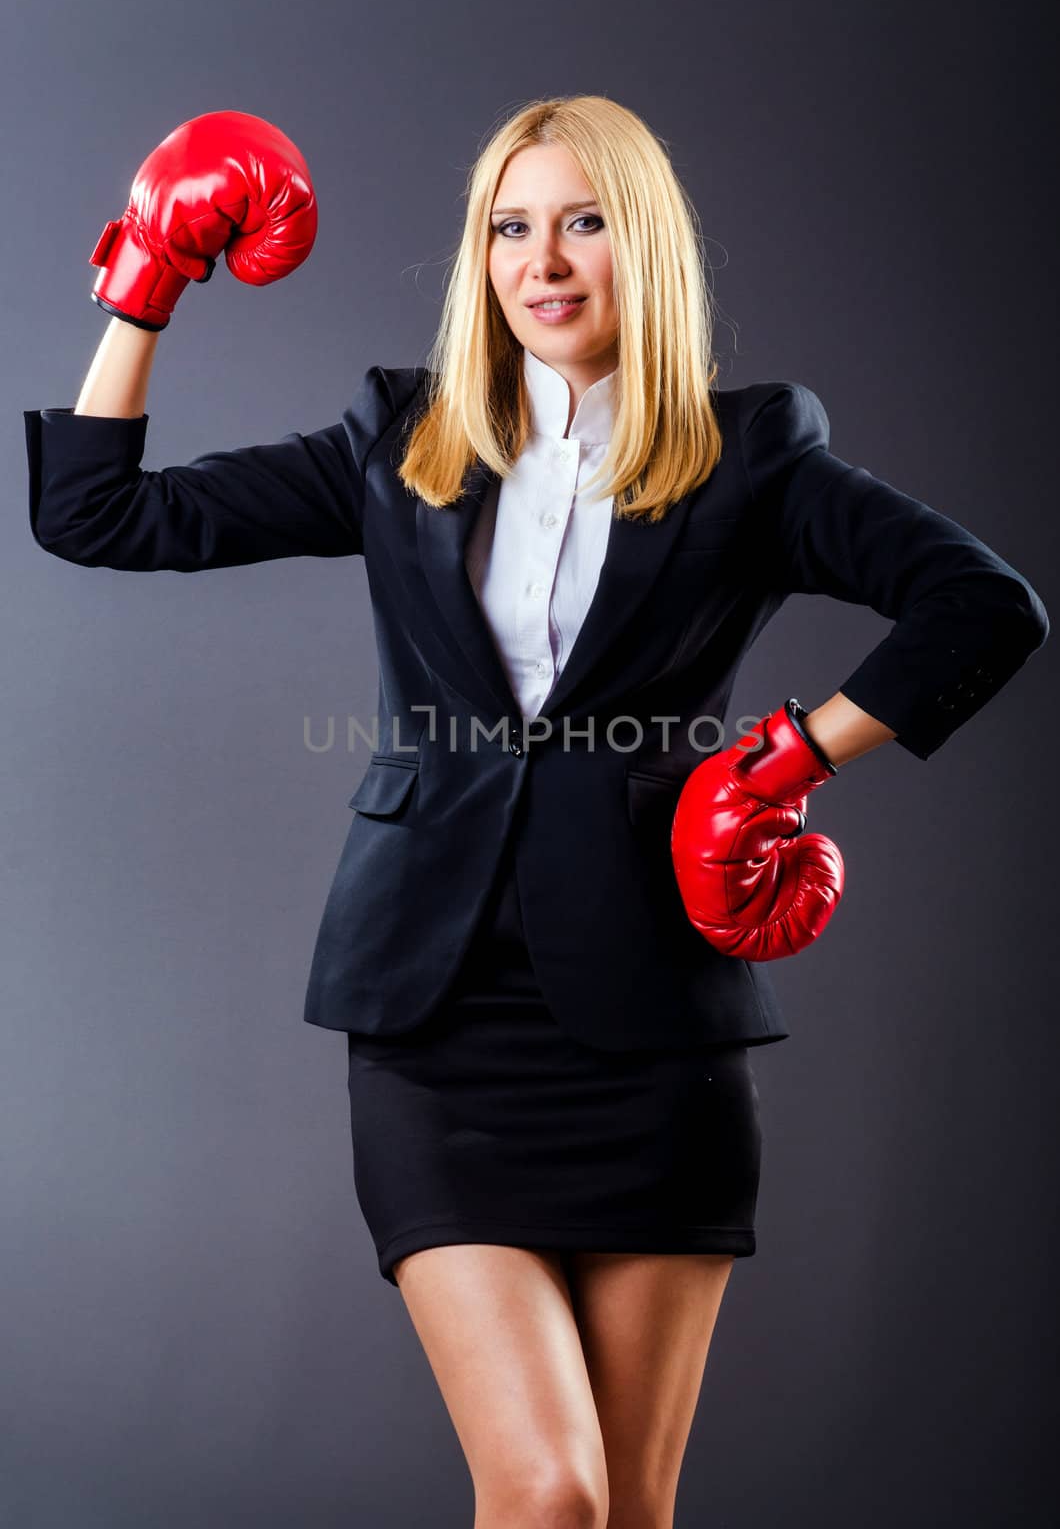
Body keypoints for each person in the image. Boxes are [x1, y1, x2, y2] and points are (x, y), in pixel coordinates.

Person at [25, 97, 1049, 1529]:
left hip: (657, 1035)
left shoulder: (750, 458)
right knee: (547, 1491)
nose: (543, 261)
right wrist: (144, 274)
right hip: (433, 1023)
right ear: (480, 256)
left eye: (584, 223)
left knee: (629, 1508)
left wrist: (780, 764)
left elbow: (984, 606)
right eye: (512, 227)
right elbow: (99, 518)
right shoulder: (405, 441)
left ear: (647, 248)